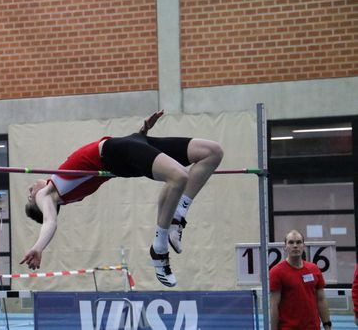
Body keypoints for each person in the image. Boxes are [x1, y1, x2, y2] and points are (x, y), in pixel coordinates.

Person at [21, 110, 223, 287]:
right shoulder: (47, 194)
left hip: (131, 142)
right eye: (30, 196)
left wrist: (142, 132)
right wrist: (38, 247)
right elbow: (50, 221)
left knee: (212, 152)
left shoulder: (66, 190)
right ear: (39, 204)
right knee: (178, 176)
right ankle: (159, 249)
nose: (31, 190)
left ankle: (177, 217)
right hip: (116, 153)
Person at [270, 230, 332, 330]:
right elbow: (274, 306)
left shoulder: (314, 269)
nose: (295, 246)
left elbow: (321, 300)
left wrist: (327, 325)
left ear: (303, 245)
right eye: (291, 242)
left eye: (298, 242)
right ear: (285, 246)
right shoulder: (276, 272)